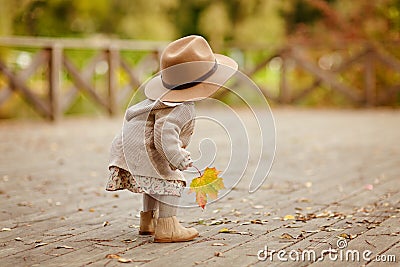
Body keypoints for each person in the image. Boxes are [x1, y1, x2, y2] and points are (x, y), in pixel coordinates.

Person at [106, 35, 238, 243]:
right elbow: (163, 137)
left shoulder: (164, 100)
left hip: (130, 144)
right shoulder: (182, 107)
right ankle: (168, 227)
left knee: (155, 182)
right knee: (171, 180)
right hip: (146, 147)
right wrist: (178, 159)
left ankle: (148, 220)